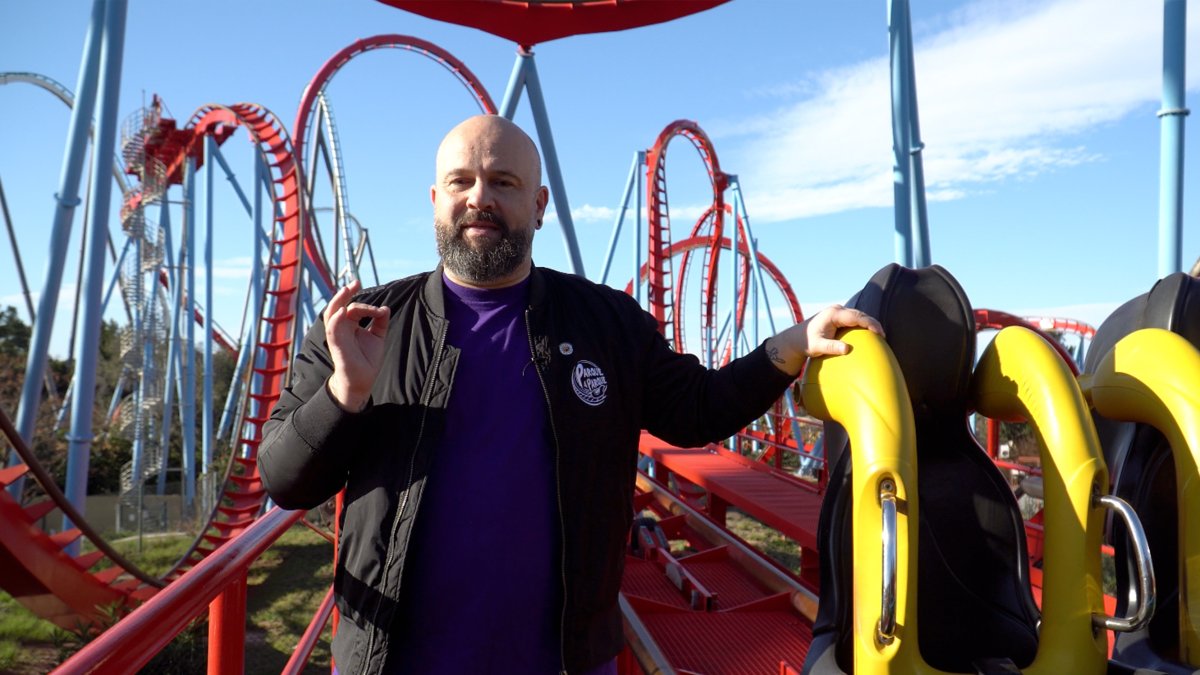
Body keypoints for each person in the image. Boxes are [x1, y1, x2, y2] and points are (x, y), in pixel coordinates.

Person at [258, 115, 882, 675]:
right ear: (434, 199)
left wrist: (789, 346)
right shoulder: (365, 326)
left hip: (564, 659)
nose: (480, 198)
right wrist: (344, 393)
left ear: (539, 203)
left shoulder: (605, 322)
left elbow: (697, 410)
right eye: (461, 182)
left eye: (504, 182)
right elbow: (285, 480)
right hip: (392, 659)